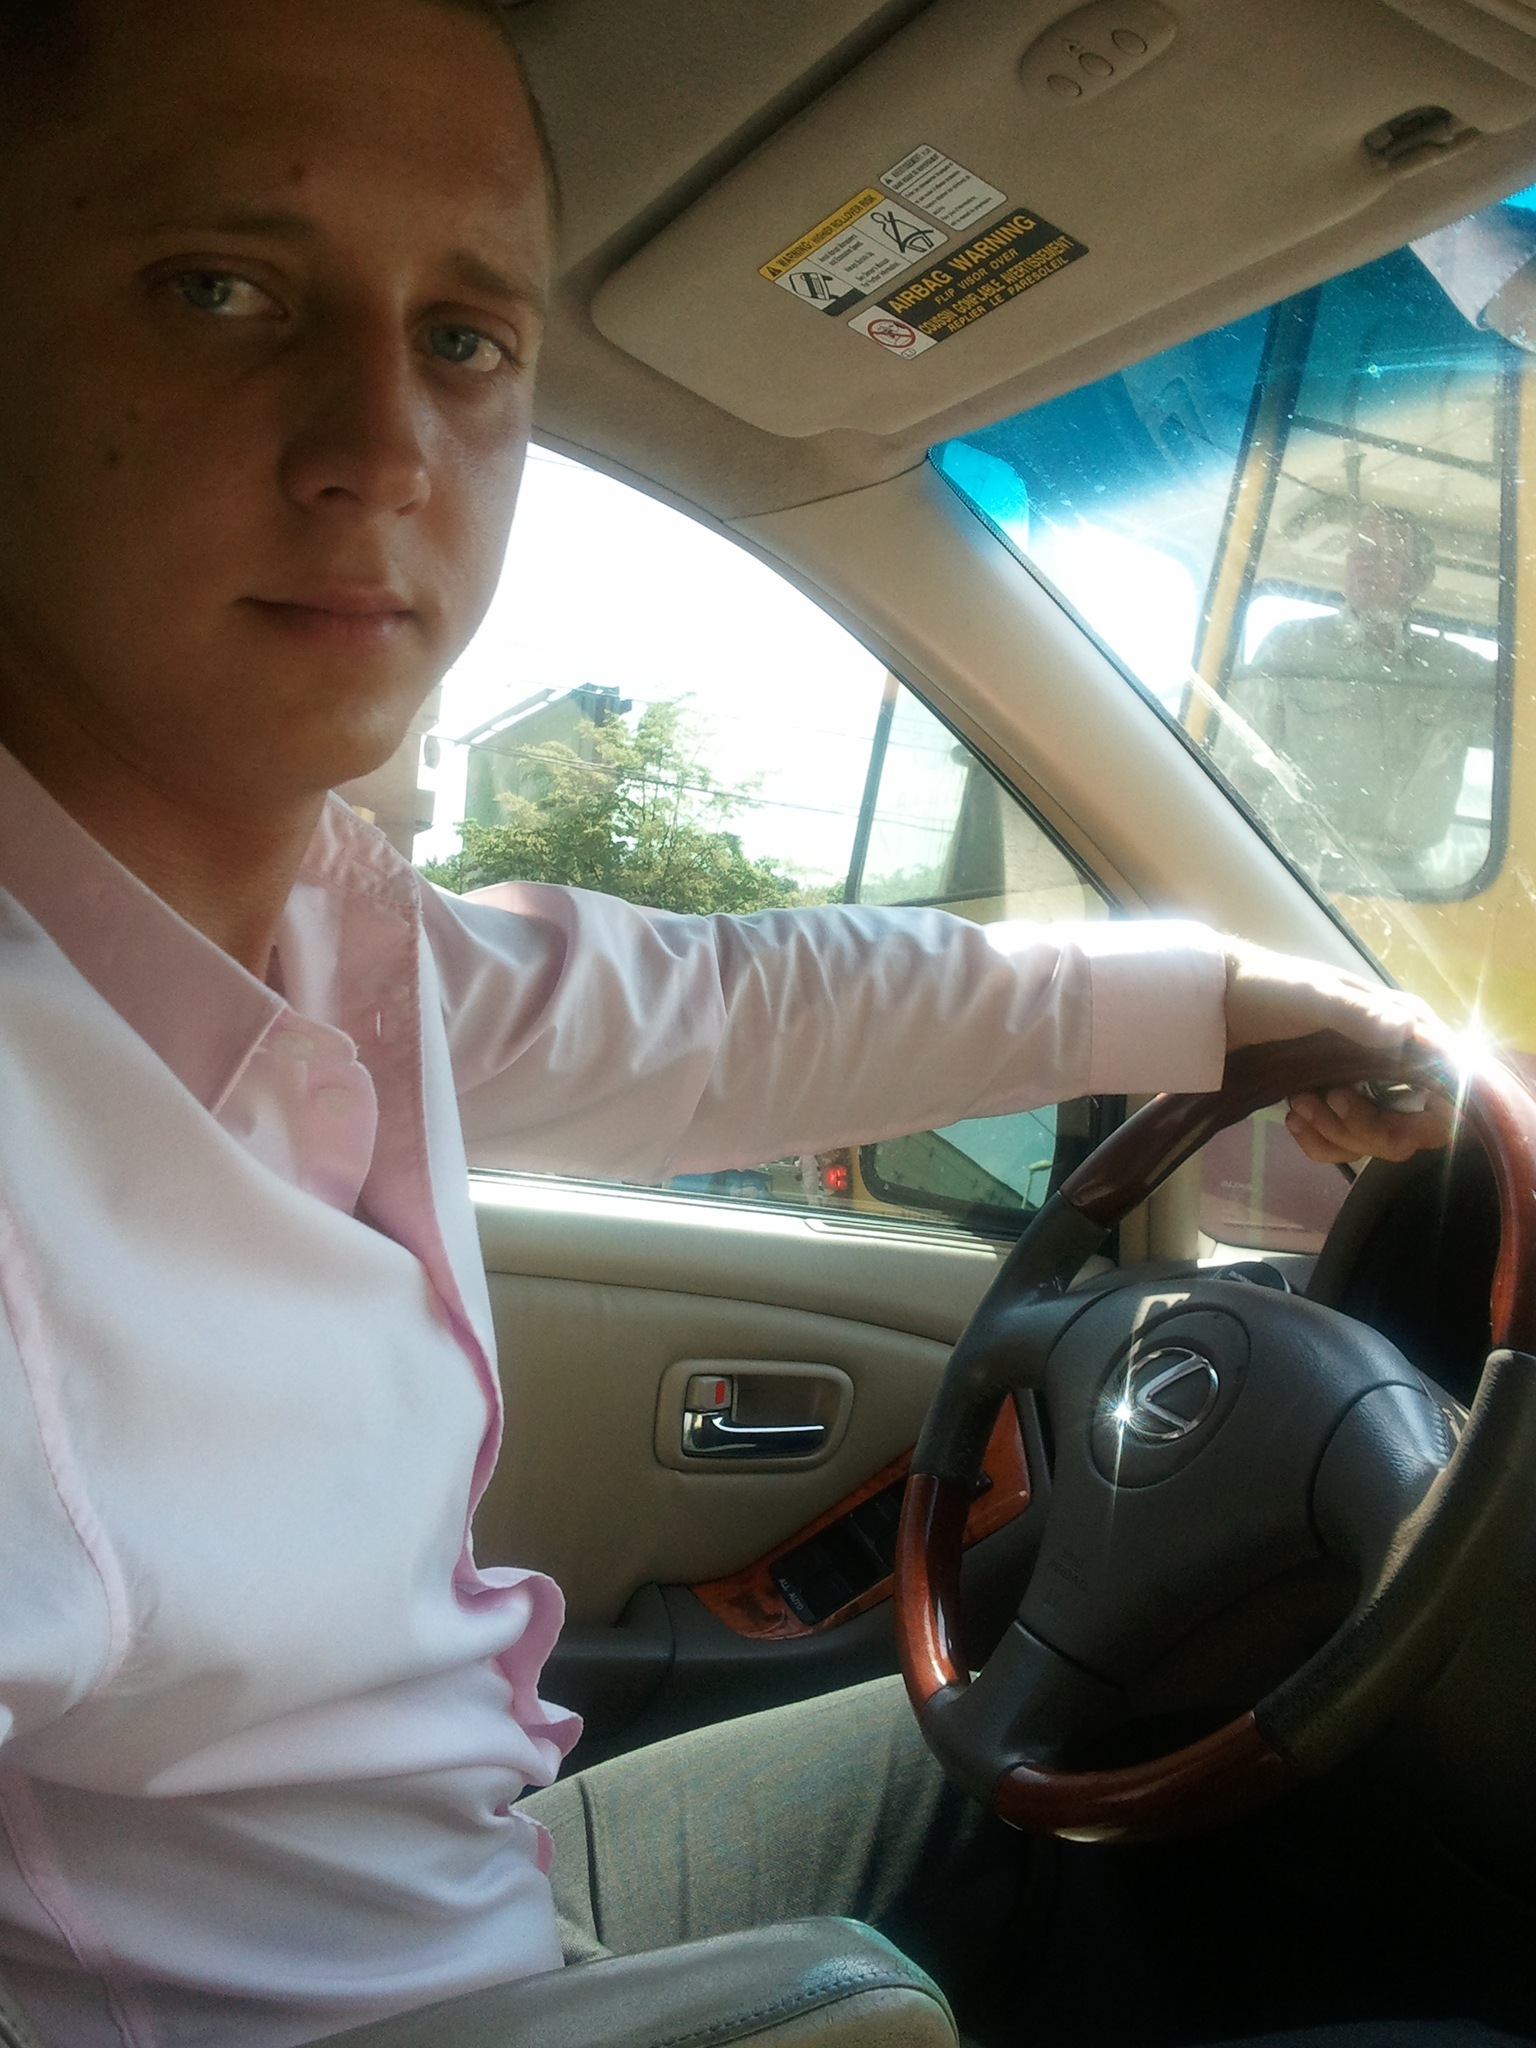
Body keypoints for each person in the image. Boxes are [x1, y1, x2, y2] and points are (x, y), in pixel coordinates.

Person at [0, 2, 1451, 2043]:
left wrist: (1234, 1000)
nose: (384, 449)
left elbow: (733, 1008)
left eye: (466, 337)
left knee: (1114, 1763)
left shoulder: (328, 939)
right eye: (219, 288)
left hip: (486, 1878)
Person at [1213, 507, 1497, 896]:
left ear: (1421, 577)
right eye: (1359, 550)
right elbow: (1239, 771)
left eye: (1387, 554)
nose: (1366, 563)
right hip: (1301, 872)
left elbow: (1520, 720)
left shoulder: (1454, 672)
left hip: (1408, 884)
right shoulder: (1291, 648)